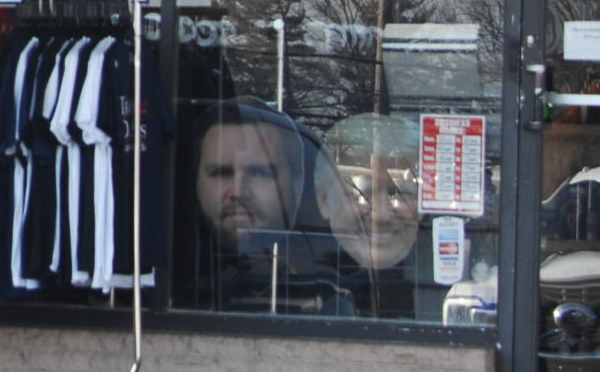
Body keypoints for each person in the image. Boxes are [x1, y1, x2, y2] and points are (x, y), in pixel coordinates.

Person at [181, 103, 342, 314]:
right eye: (221, 173)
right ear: (196, 183)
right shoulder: (162, 278)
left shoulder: (332, 283)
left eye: (259, 173)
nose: (238, 191)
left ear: (297, 184)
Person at [316, 111, 429, 318]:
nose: (381, 216)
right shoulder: (291, 281)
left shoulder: (452, 281)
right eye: (362, 194)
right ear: (324, 201)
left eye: (400, 193)